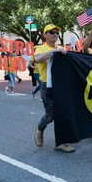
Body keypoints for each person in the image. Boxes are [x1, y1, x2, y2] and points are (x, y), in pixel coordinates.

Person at [34, 24, 74, 153]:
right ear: (45, 34)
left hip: (60, 85)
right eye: (52, 32)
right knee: (51, 115)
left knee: (63, 114)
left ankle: (61, 143)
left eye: (57, 33)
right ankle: (40, 129)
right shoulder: (40, 48)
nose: (55, 35)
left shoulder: (60, 48)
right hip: (47, 85)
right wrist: (53, 51)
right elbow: (38, 59)